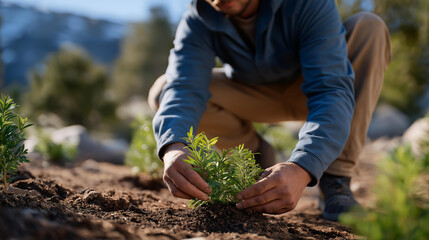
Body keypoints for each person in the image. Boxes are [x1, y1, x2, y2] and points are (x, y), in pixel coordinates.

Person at [148, 0, 391, 221]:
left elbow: (330, 90)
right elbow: (184, 88)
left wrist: (303, 167)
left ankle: (336, 179)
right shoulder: (198, 17)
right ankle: (253, 156)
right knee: (164, 90)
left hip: (313, 89)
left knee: (369, 27)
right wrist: (173, 148)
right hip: (254, 96)